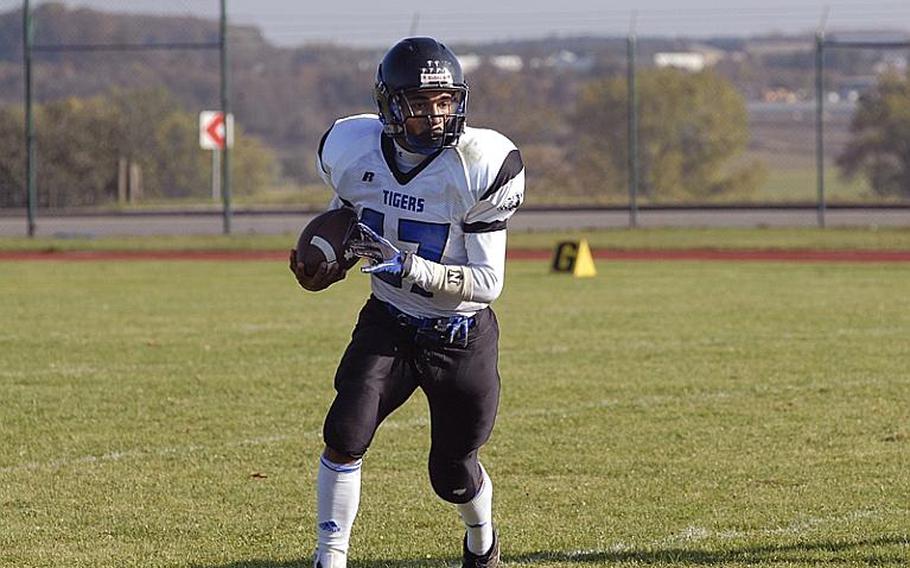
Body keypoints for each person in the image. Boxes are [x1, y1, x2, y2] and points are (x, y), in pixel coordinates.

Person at [290, 36, 524, 568]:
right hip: (390, 320)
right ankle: (330, 558)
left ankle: (481, 539)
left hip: (459, 336)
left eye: (445, 102)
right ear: (390, 106)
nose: (437, 117)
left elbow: (488, 282)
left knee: (453, 475)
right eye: (421, 104)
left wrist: (410, 267)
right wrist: (331, 255)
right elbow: (349, 213)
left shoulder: (480, 163)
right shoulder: (351, 149)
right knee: (344, 435)